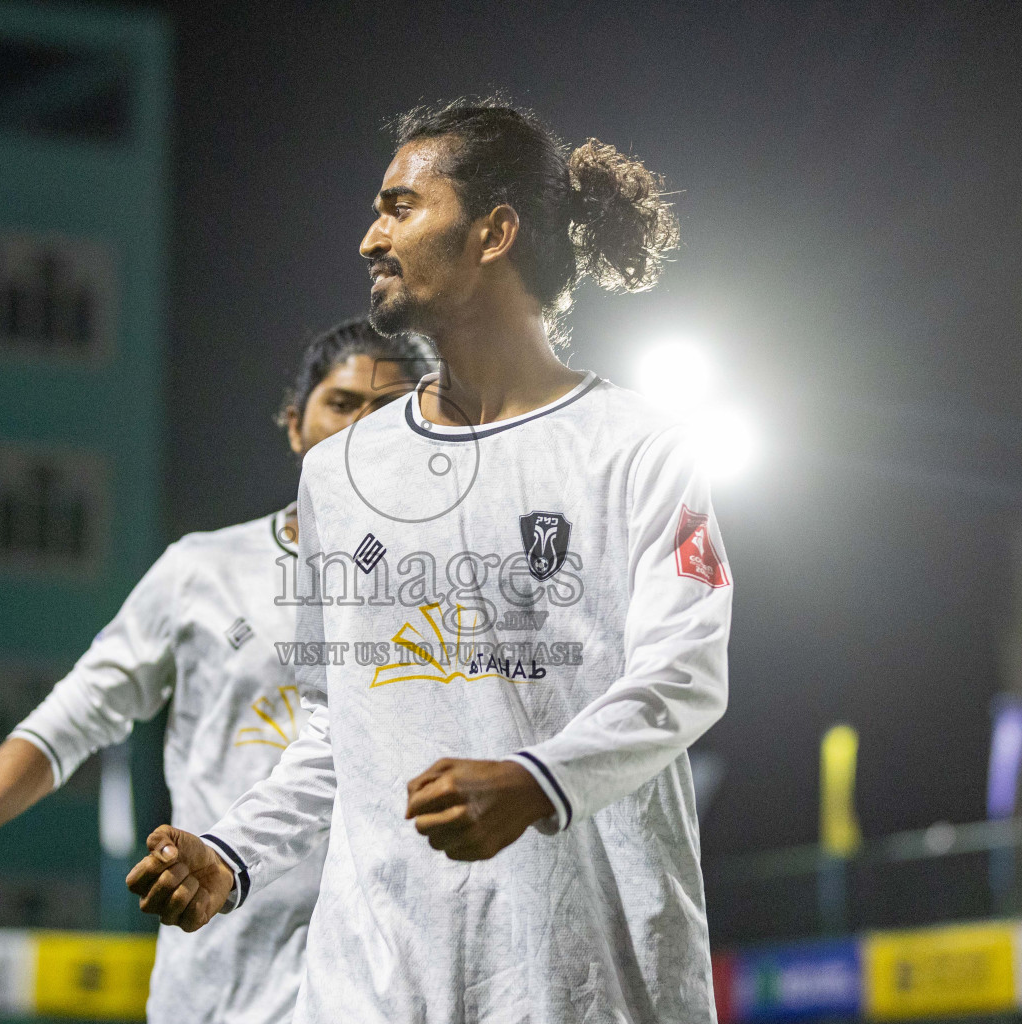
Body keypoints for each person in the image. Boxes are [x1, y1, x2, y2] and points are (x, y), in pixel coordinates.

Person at [128, 97, 732, 1023]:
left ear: (493, 231)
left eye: (401, 206)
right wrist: (232, 854)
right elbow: (339, 728)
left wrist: (536, 781)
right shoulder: (339, 472)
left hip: (584, 982)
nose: (371, 238)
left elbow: (684, 676)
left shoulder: (638, 445)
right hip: (374, 982)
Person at [0, 316, 436, 1024]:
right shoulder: (202, 570)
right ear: (295, 423)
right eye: (343, 403)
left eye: (391, 410)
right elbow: (71, 718)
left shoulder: (454, 589)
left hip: (382, 977)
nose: (363, 428)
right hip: (217, 972)